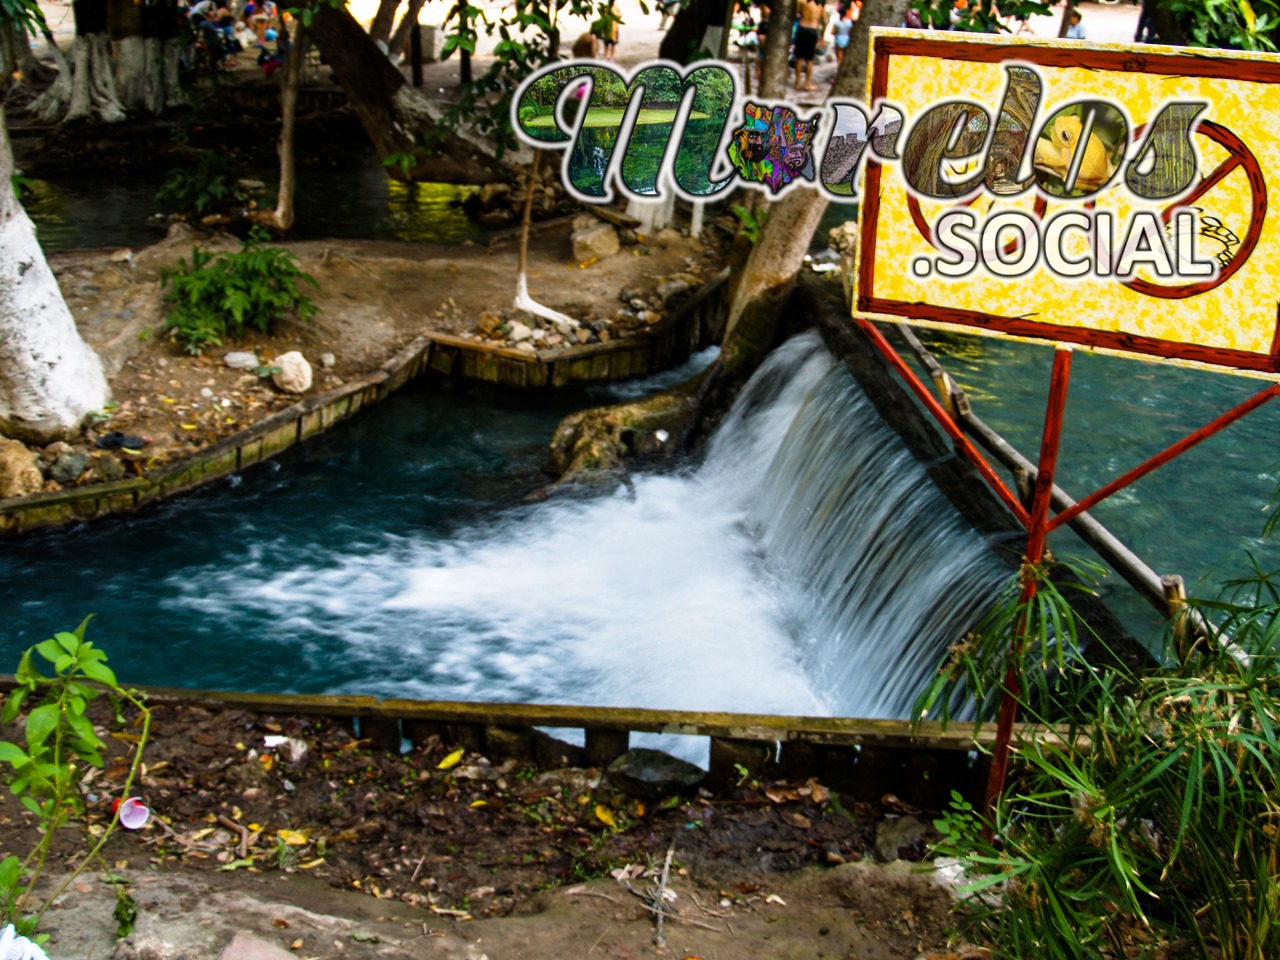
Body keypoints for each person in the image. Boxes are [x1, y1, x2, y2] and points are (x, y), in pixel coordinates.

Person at [792, 0, 825, 92]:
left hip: (802, 28)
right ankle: (807, 83)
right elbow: (824, 20)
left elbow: (795, 14)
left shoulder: (801, 1)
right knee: (810, 59)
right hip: (812, 30)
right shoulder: (820, 3)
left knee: (799, 57)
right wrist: (822, 35)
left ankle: (797, 83)